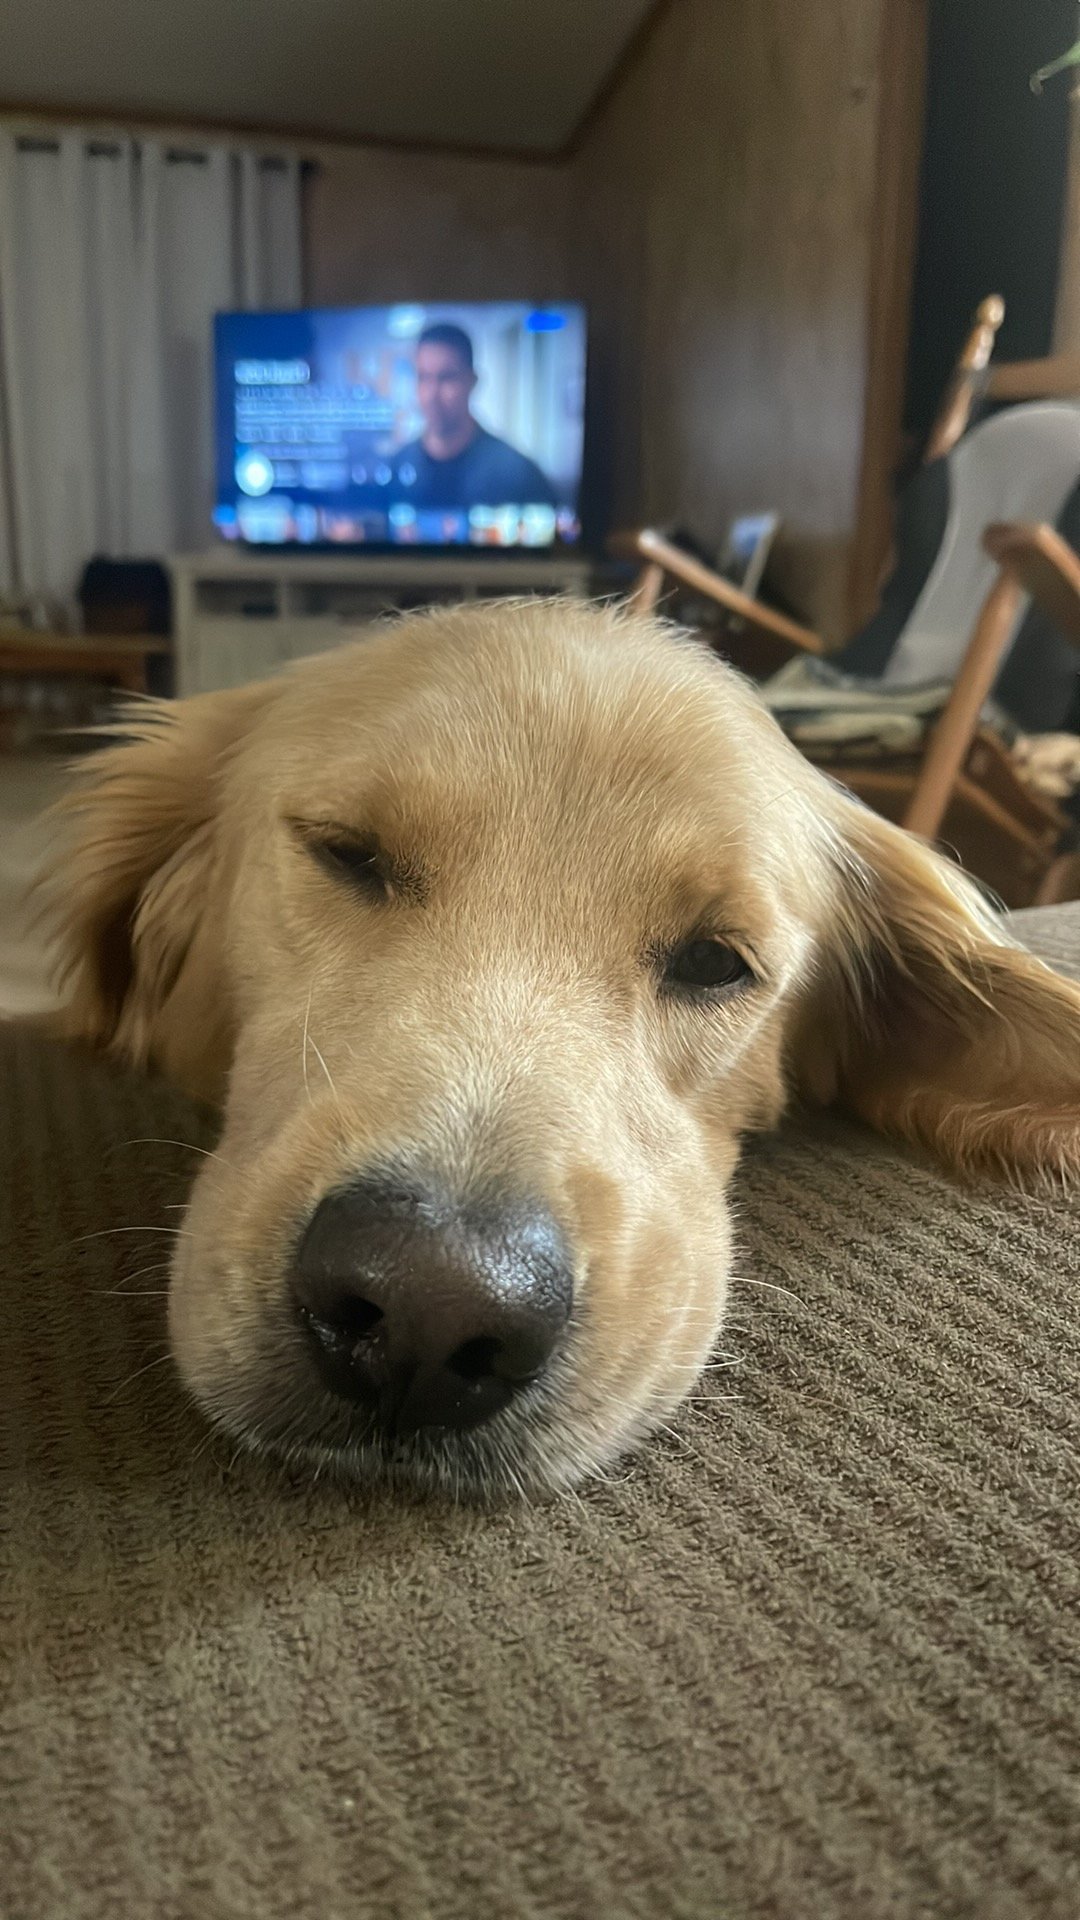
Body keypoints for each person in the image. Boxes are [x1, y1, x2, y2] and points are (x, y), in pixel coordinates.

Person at [392, 323, 557, 510]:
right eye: (423, 378)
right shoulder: (395, 468)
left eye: (446, 377)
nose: (432, 394)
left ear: (472, 381)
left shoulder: (519, 474)